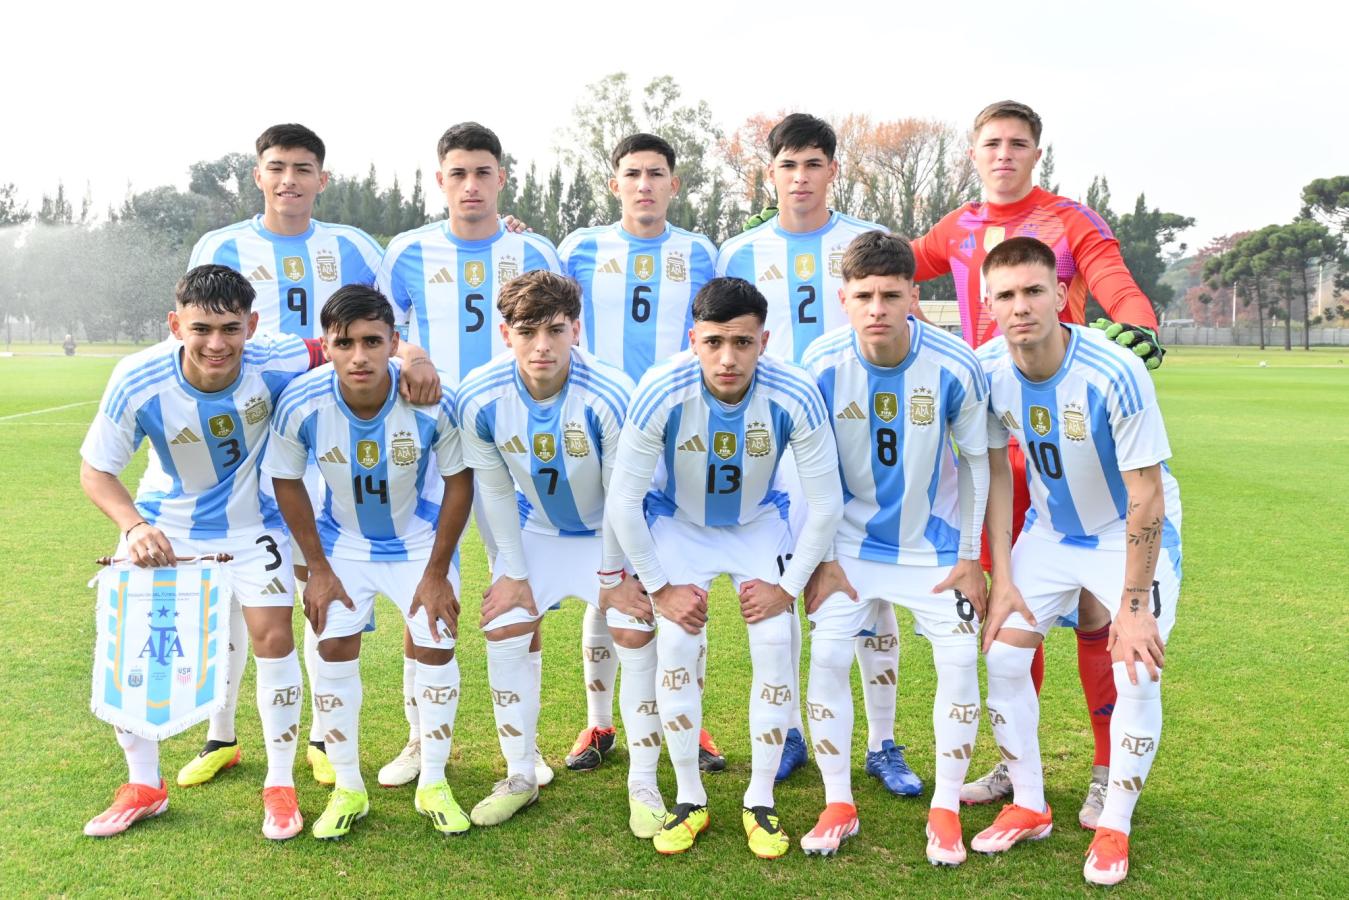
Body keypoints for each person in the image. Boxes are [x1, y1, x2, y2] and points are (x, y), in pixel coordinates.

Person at [910, 100, 1164, 826]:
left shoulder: (1068, 220)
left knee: (1091, 607)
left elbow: (1110, 279)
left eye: (1017, 143)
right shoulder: (955, 228)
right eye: (990, 142)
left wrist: (1138, 326)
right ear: (971, 152)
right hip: (997, 439)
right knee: (1011, 598)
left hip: (1073, 435)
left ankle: (1104, 762)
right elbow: (901, 262)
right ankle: (1015, 762)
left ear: (1035, 154)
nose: (1003, 154)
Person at [79, 265, 325, 839]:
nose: (217, 344)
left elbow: (358, 340)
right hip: (165, 528)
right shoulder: (138, 378)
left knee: (274, 638)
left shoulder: (279, 357)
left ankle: (281, 786)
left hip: (253, 527)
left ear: (252, 325)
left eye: (231, 329)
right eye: (202, 328)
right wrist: (133, 524)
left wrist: (410, 358)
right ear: (175, 325)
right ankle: (144, 784)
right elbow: (96, 470)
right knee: (137, 649)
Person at [187, 123, 396, 791]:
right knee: (233, 588)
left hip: (324, 434)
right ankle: (222, 734)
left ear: (321, 179)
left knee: (314, 579)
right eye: (276, 166)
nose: (289, 179)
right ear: (257, 174)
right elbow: (200, 325)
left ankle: (320, 737)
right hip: (242, 438)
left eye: (303, 168)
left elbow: (394, 320)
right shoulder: (222, 245)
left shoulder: (355, 246)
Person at [607, 277, 843, 858]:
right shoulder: (661, 387)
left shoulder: (795, 391)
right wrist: (660, 589)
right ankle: (690, 799)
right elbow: (622, 501)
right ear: (693, 339)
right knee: (678, 648)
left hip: (756, 524)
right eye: (713, 342)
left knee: (773, 642)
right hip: (680, 524)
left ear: (763, 340)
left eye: (742, 342)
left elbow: (827, 502)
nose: (728, 357)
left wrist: (787, 590)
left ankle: (759, 802)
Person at [970, 236, 1181, 887]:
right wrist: (1002, 575)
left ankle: (1113, 824)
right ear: (988, 303)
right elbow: (996, 477)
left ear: (1061, 295)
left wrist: (1134, 606)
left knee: (1137, 670)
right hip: (1051, 535)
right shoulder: (987, 372)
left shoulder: (1115, 369)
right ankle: (1028, 802)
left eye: (1033, 290)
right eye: (1005, 295)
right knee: (1003, 655)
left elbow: (1144, 493)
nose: (1020, 306)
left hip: (1128, 534)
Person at [718, 114, 915, 794]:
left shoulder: (866, 241)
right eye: (786, 165)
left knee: (869, 585)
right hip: (772, 444)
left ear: (833, 169)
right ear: (768, 173)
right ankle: (792, 730)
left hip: (852, 435)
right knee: (789, 580)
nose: (799, 177)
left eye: (812, 163)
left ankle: (883, 742)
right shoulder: (736, 252)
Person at [377, 121, 562, 788]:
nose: (471, 184)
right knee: (426, 589)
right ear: (440, 180)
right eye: (458, 173)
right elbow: (379, 330)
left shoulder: (533, 248)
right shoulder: (405, 251)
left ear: (502, 178)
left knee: (518, 587)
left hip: (512, 442)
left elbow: (563, 337)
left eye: (483, 172)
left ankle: (525, 747)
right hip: (430, 447)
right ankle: (418, 738)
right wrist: (413, 353)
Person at [797, 231, 990, 861]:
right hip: (849, 548)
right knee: (826, 658)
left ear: (915, 295)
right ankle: (838, 801)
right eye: (863, 296)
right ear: (842, 299)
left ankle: (945, 809)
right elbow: (803, 470)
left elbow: (979, 464)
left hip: (933, 550)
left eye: (889, 294)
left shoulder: (956, 364)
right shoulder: (820, 367)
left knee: (960, 665)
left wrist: (971, 557)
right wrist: (819, 560)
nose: (877, 307)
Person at [263, 285, 473, 839]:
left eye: (373, 341)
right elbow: (286, 480)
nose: (359, 356)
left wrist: (435, 573)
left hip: (417, 545)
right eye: (345, 343)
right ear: (327, 346)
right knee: (332, 647)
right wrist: (317, 568)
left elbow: (459, 482)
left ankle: (433, 780)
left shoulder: (431, 400)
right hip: (342, 547)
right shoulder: (302, 401)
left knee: (435, 641)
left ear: (393, 343)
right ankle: (349, 788)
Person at [456, 271, 658, 832]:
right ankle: (520, 773)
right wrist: (512, 573)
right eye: (527, 331)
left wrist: (615, 575)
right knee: (504, 628)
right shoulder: (479, 394)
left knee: (633, 628)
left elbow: (624, 494)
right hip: (539, 530)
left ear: (576, 329)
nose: (541, 345)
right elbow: (493, 488)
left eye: (555, 330)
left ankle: (644, 780)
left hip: (607, 529)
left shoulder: (612, 391)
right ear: (505, 333)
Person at [557, 132, 723, 774]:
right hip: (603, 429)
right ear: (613, 183)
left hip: (681, 430)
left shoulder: (699, 251)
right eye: (633, 173)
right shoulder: (579, 248)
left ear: (674, 185)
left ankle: (692, 721)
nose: (645, 184)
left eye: (657, 173)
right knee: (611, 577)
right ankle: (599, 725)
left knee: (682, 576)